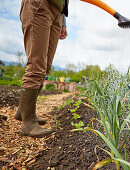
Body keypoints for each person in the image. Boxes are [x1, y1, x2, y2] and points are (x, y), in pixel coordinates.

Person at [15, 0, 69, 138]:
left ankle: (23, 112)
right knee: (36, 65)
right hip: (40, 4)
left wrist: (63, 22)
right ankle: (28, 124)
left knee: (45, 67)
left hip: (58, 12)